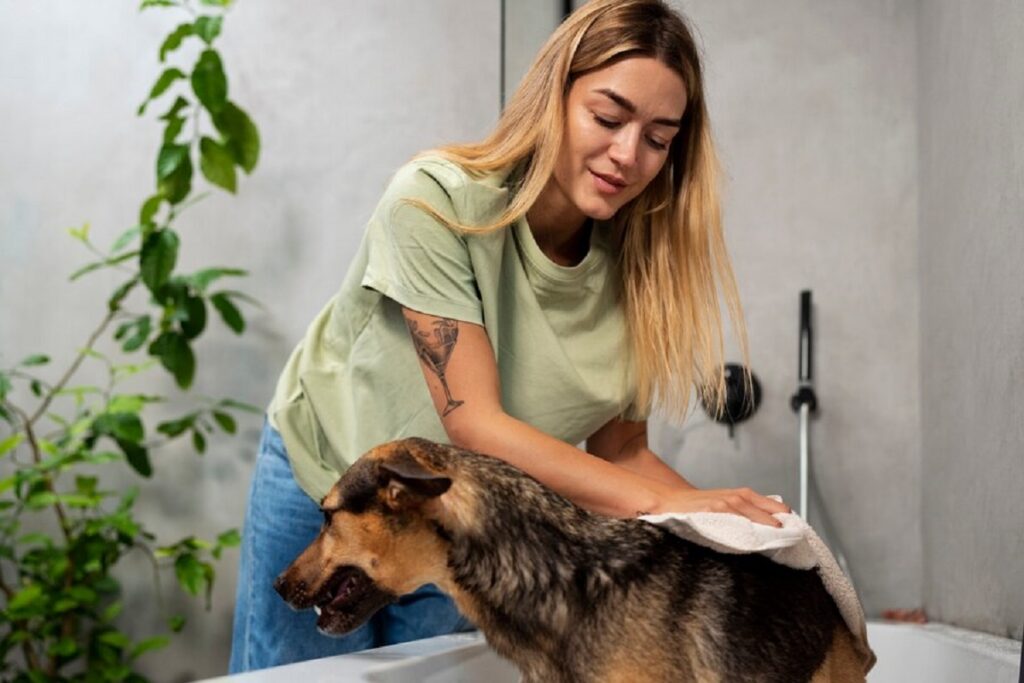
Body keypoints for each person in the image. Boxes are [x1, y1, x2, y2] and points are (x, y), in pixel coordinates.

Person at [229, 0, 789, 672]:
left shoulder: (641, 272)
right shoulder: (433, 202)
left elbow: (621, 454)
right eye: (608, 118)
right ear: (554, 98)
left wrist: (722, 528)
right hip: (324, 479)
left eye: (658, 137)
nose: (627, 154)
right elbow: (475, 427)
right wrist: (673, 502)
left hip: (463, 526)